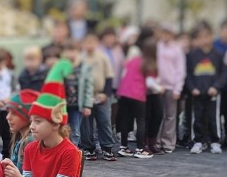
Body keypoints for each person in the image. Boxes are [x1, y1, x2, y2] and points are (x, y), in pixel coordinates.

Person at [187, 25, 227, 154]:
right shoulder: (192, 55)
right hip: (197, 92)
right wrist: (192, 88)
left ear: (212, 37)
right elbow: (188, 74)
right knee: (197, 117)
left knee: (213, 117)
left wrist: (216, 87)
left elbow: (224, 73)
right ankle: (198, 141)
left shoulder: (218, 54)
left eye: (207, 37)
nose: (204, 40)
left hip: (213, 93)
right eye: (201, 37)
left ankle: (215, 142)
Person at [117, 39, 159, 159]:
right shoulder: (150, 64)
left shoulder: (134, 60)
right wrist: (160, 88)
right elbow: (150, 83)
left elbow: (124, 74)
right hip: (137, 94)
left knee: (125, 119)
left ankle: (123, 147)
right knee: (141, 121)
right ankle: (140, 149)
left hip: (124, 92)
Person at [79, 33, 117, 161]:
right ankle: (89, 147)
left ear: (96, 43)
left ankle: (107, 147)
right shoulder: (80, 58)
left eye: (92, 42)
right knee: (86, 123)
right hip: (85, 95)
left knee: (104, 120)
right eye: (87, 42)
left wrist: (106, 93)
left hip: (101, 94)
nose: (89, 45)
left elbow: (109, 76)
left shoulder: (103, 57)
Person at [3, 89, 40, 177]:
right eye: (8, 112)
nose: (8, 117)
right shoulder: (21, 139)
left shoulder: (30, 141)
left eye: (14, 113)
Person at [156, 23, 186, 154]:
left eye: (168, 33)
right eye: (163, 33)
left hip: (172, 86)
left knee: (170, 116)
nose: (165, 36)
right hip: (158, 86)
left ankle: (168, 143)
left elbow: (180, 70)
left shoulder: (177, 49)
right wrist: (156, 84)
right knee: (158, 115)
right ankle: (156, 142)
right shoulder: (157, 46)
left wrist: (177, 88)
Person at [61, 44, 94, 147]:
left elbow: (89, 87)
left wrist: (87, 105)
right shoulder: (61, 66)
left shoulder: (84, 68)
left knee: (75, 131)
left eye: (73, 51)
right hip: (63, 106)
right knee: (62, 129)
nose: (71, 54)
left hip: (77, 106)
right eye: (68, 51)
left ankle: (73, 150)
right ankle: (63, 150)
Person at [0, 48, 17, 157]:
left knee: (8, 137)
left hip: (9, 109)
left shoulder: (10, 75)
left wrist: (10, 98)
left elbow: (16, 90)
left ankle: (8, 158)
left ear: (4, 61)